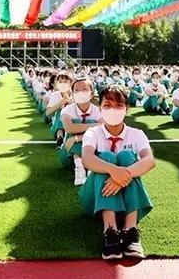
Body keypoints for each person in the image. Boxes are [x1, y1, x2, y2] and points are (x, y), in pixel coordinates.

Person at [79, 86, 155, 260]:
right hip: (95, 198)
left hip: (126, 196)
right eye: (107, 105)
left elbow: (149, 160)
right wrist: (113, 171)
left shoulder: (136, 134)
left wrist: (123, 174)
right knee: (105, 156)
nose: (112, 110)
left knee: (127, 156)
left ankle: (130, 230)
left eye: (119, 105)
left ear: (127, 109)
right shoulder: (93, 132)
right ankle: (110, 229)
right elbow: (87, 159)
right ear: (100, 109)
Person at [58, 77, 101, 186]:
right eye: (77, 90)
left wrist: (77, 138)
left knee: (91, 126)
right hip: (68, 153)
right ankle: (79, 167)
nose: (80, 92)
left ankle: (88, 167)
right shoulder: (67, 110)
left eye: (85, 89)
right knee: (78, 122)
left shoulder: (98, 110)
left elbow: (103, 130)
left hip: (92, 151)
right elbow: (69, 128)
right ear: (72, 93)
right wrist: (95, 126)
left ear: (91, 93)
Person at [46, 72, 73, 149]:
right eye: (60, 82)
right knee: (61, 112)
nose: (62, 84)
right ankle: (59, 138)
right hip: (58, 126)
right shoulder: (55, 95)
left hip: (72, 123)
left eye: (65, 82)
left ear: (71, 83)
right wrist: (62, 102)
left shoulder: (75, 94)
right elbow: (48, 113)